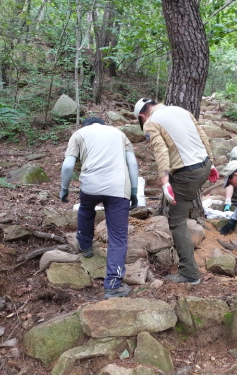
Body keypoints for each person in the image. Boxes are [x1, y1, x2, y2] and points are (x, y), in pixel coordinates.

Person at [134, 98, 219, 285]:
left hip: (187, 173)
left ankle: (189, 273)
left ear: (142, 116)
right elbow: (202, 135)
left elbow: (161, 152)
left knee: (176, 220)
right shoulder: (181, 110)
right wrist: (211, 163)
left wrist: (164, 182)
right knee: (181, 211)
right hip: (203, 166)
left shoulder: (151, 122)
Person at [59, 116, 139, 299]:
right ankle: (112, 285)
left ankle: (86, 246)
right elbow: (132, 163)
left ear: (86, 125)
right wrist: (133, 191)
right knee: (118, 238)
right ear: (103, 125)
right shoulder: (119, 134)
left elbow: (68, 165)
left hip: (90, 186)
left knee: (86, 211)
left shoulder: (79, 134)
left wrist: (64, 189)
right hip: (118, 188)